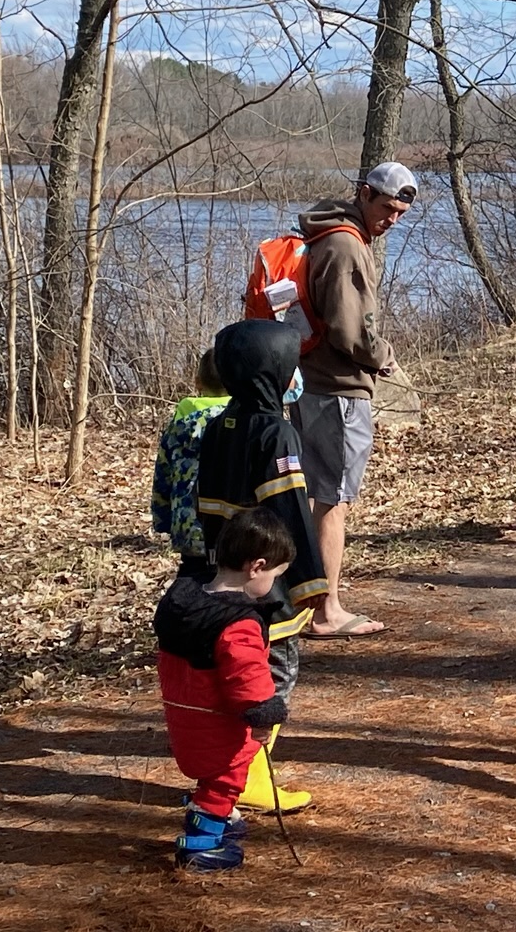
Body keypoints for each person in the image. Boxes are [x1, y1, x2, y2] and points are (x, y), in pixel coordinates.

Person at [191, 318, 329, 813]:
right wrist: (314, 582)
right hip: (270, 584)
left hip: (225, 574)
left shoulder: (217, 426)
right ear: (272, 372)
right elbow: (290, 509)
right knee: (272, 677)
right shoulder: (276, 433)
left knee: (235, 674)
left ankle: (234, 765)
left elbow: (204, 507)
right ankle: (248, 772)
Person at [291, 162, 415, 639]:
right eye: (386, 208)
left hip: (314, 385)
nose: (392, 219)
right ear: (364, 194)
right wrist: (381, 356)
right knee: (333, 500)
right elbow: (348, 330)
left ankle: (308, 600)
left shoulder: (330, 235)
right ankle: (327, 611)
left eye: (400, 213)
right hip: (337, 390)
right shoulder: (345, 245)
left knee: (318, 494)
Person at [156, 507, 295, 871]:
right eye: (276, 575)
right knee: (225, 780)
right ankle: (201, 843)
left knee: (210, 772)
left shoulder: (184, 600)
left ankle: (219, 816)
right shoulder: (238, 625)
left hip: (187, 716)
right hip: (221, 726)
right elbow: (247, 677)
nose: (274, 584)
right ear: (256, 566)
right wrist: (265, 713)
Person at [152, 349, 228, 561]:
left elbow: (163, 474)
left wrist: (163, 520)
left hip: (188, 530)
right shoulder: (247, 419)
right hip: (237, 534)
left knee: (193, 582)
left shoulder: (181, 423)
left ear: (197, 383)